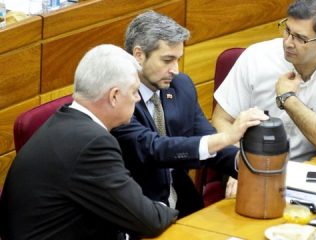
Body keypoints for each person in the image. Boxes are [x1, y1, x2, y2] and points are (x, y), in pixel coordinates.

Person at [0, 44, 178, 240]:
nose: (137, 99)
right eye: (135, 91)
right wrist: (167, 207)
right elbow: (148, 220)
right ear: (114, 96)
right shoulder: (93, 144)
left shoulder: (64, 121)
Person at [111, 10, 267, 218]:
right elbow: (153, 148)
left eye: (178, 60)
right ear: (139, 55)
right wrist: (228, 136)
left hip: (184, 202)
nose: (175, 69)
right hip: (137, 208)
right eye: (167, 60)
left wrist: (244, 163)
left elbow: (206, 140)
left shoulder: (180, 86)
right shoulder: (118, 97)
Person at [213, 0, 316, 162]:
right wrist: (241, 163)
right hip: (252, 163)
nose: (288, 43)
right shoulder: (256, 57)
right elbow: (221, 120)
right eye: (287, 30)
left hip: (312, 169)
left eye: (300, 38)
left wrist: (288, 99)